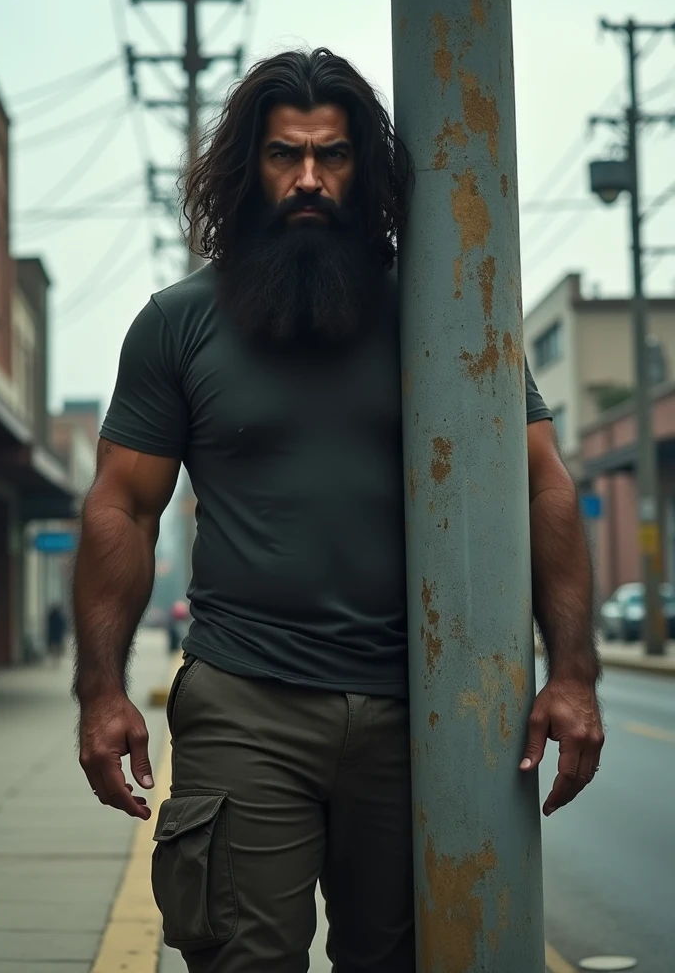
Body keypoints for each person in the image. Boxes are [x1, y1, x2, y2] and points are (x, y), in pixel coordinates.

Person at [73, 49, 604, 972]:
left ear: (368, 171)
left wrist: (575, 673)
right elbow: (122, 506)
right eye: (285, 156)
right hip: (247, 702)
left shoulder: (447, 317)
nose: (310, 178)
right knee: (246, 959)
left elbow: (541, 482)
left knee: (404, 960)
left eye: (334, 156)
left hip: (426, 714)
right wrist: (100, 688)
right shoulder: (179, 322)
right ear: (249, 172)